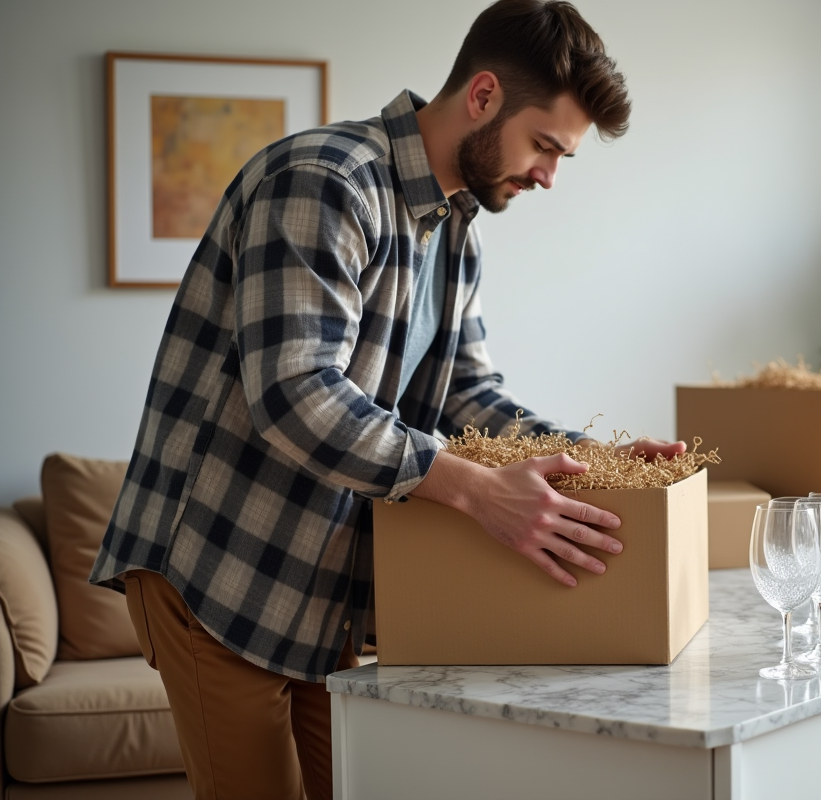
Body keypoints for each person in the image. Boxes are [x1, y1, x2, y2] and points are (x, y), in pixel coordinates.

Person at [89, 2, 683, 798]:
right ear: (481, 97)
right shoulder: (325, 182)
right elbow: (297, 393)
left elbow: (470, 394)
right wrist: (474, 491)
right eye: (545, 145)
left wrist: (599, 460)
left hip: (322, 591)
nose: (549, 175)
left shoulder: (455, 229)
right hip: (218, 575)